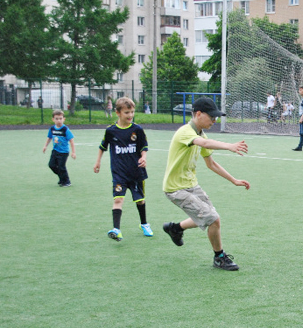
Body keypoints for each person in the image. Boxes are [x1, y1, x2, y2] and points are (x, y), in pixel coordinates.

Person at [162, 97, 250, 271]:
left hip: (191, 185)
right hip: (176, 189)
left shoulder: (201, 133)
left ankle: (175, 228)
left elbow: (211, 164)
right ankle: (219, 258)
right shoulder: (186, 132)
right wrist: (229, 146)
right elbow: (203, 143)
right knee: (212, 219)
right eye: (212, 117)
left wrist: (234, 180)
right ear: (199, 114)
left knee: (212, 217)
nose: (215, 121)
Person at [93, 97, 152, 242]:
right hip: (119, 174)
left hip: (136, 172)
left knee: (140, 201)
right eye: (127, 112)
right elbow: (102, 147)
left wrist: (143, 157)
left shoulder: (137, 129)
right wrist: (98, 162)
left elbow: (144, 147)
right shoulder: (111, 131)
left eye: (132, 112)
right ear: (117, 113)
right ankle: (116, 230)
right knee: (118, 199)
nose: (130, 115)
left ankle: (144, 224)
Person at [43, 110, 76, 187]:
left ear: (64, 119)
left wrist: (73, 152)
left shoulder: (65, 129)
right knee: (51, 165)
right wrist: (45, 146)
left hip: (64, 152)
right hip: (55, 151)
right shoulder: (52, 129)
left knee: (61, 166)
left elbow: (71, 140)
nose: (59, 120)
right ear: (53, 119)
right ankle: (62, 178)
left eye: (60, 118)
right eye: (57, 119)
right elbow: (49, 137)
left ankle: (67, 181)